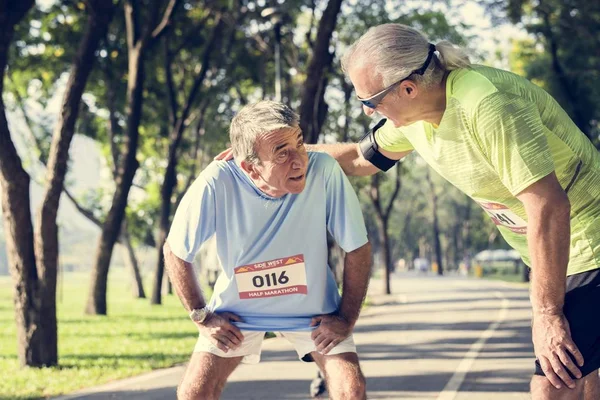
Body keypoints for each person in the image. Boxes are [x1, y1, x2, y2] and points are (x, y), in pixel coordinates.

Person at [303, 23, 600, 400]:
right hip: (562, 249)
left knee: (554, 383)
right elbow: (359, 159)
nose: (366, 111)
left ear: (408, 88)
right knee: (588, 381)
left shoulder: (486, 104)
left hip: (588, 239)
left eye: (371, 101)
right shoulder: (413, 119)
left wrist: (546, 313)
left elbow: (548, 204)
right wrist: (285, 154)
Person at [164, 100, 371, 400]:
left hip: (313, 315)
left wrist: (346, 319)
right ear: (250, 167)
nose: (299, 160)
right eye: (281, 153)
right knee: (193, 393)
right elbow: (175, 251)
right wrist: (202, 316)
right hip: (238, 316)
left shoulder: (324, 170)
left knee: (352, 390)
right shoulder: (216, 181)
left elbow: (358, 248)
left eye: (299, 144)